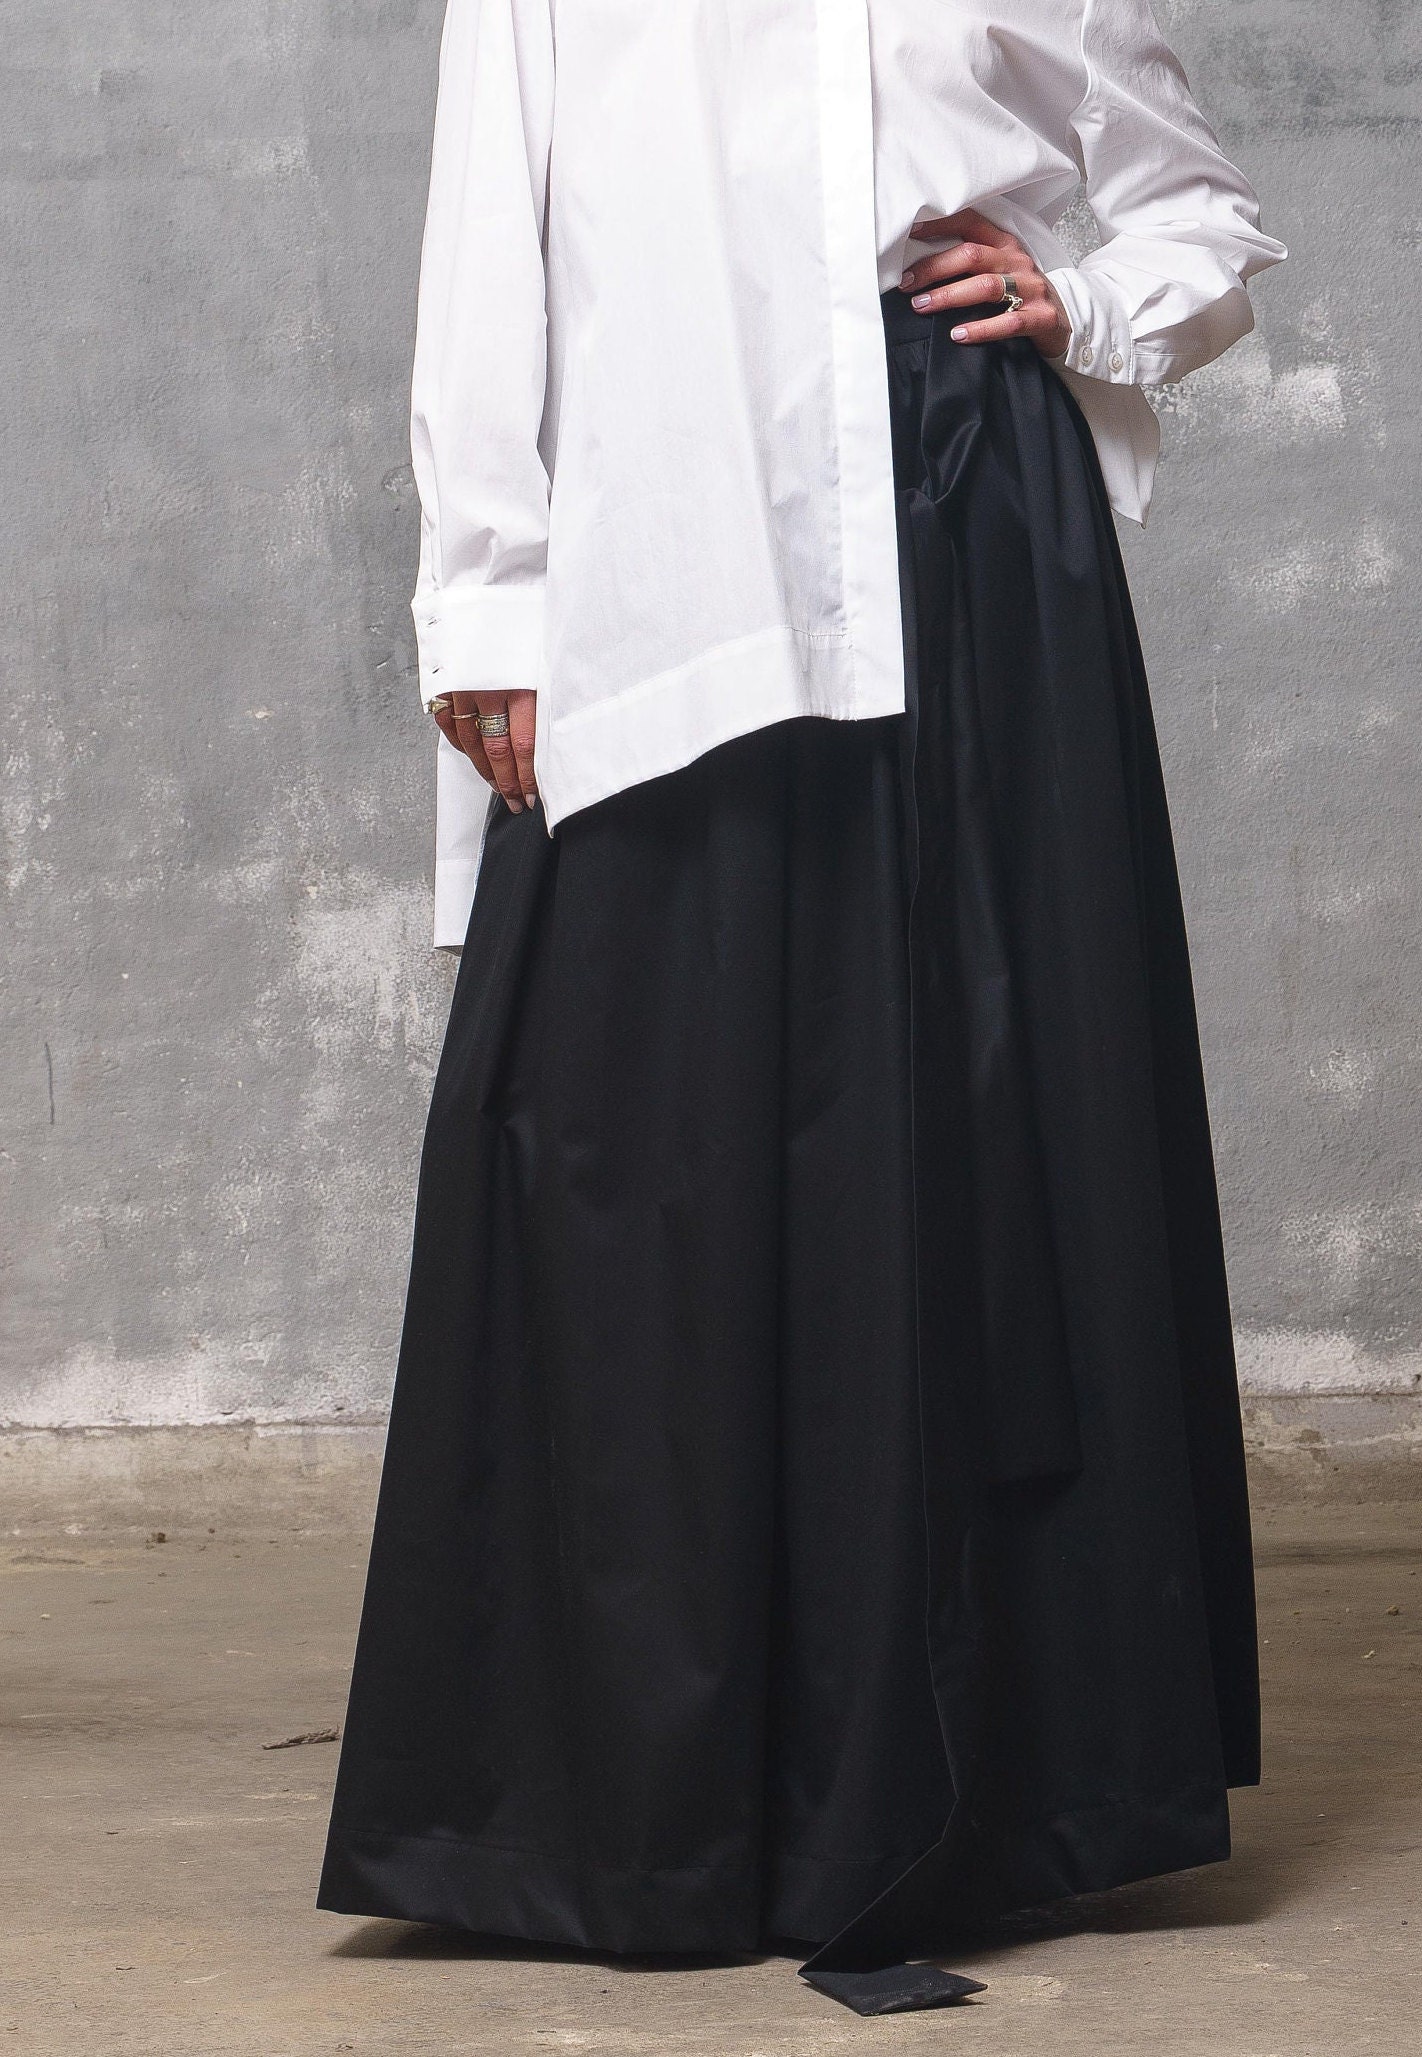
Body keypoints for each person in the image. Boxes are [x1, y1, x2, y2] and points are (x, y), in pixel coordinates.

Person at [318, 0, 1284, 2017]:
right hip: (675, 541)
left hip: (974, 531)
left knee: (987, 1119)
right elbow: (489, 243)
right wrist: (488, 594)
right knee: (637, 1146)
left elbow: (1196, 212)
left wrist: (1090, 298)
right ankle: (636, 1802)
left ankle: (997, 1793)